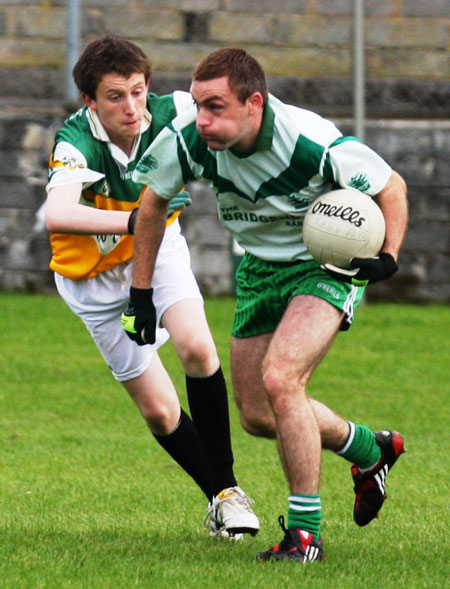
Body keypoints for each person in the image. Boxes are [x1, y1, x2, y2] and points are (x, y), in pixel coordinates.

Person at [122, 47, 408, 562]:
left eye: (215, 106)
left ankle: (304, 535)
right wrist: (140, 294)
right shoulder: (188, 139)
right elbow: (151, 204)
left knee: (282, 379)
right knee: (257, 414)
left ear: (255, 102)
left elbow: (392, 186)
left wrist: (389, 255)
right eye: (197, 104)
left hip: (324, 267)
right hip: (257, 269)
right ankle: (369, 448)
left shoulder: (308, 140)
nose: (201, 119)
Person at [44, 37, 260, 540]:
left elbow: (241, 111)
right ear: (90, 102)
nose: (133, 108)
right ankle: (217, 498)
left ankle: (228, 493)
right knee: (161, 412)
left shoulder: (177, 111)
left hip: (158, 251)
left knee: (197, 347)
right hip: (93, 285)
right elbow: (58, 212)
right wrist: (134, 220)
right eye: (116, 96)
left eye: (139, 92)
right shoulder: (75, 139)